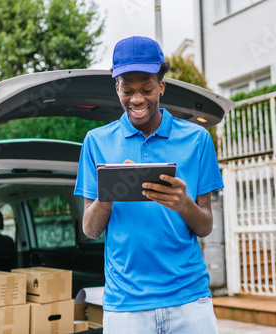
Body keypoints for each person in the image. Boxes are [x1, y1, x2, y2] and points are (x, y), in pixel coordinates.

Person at [74, 36, 223, 334]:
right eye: (128, 90)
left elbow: (205, 226)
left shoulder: (197, 140)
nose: (137, 99)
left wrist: (184, 204)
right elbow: (90, 229)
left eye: (147, 89)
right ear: (116, 88)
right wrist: (108, 195)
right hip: (125, 307)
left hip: (189, 301)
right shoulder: (96, 142)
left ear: (162, 87)